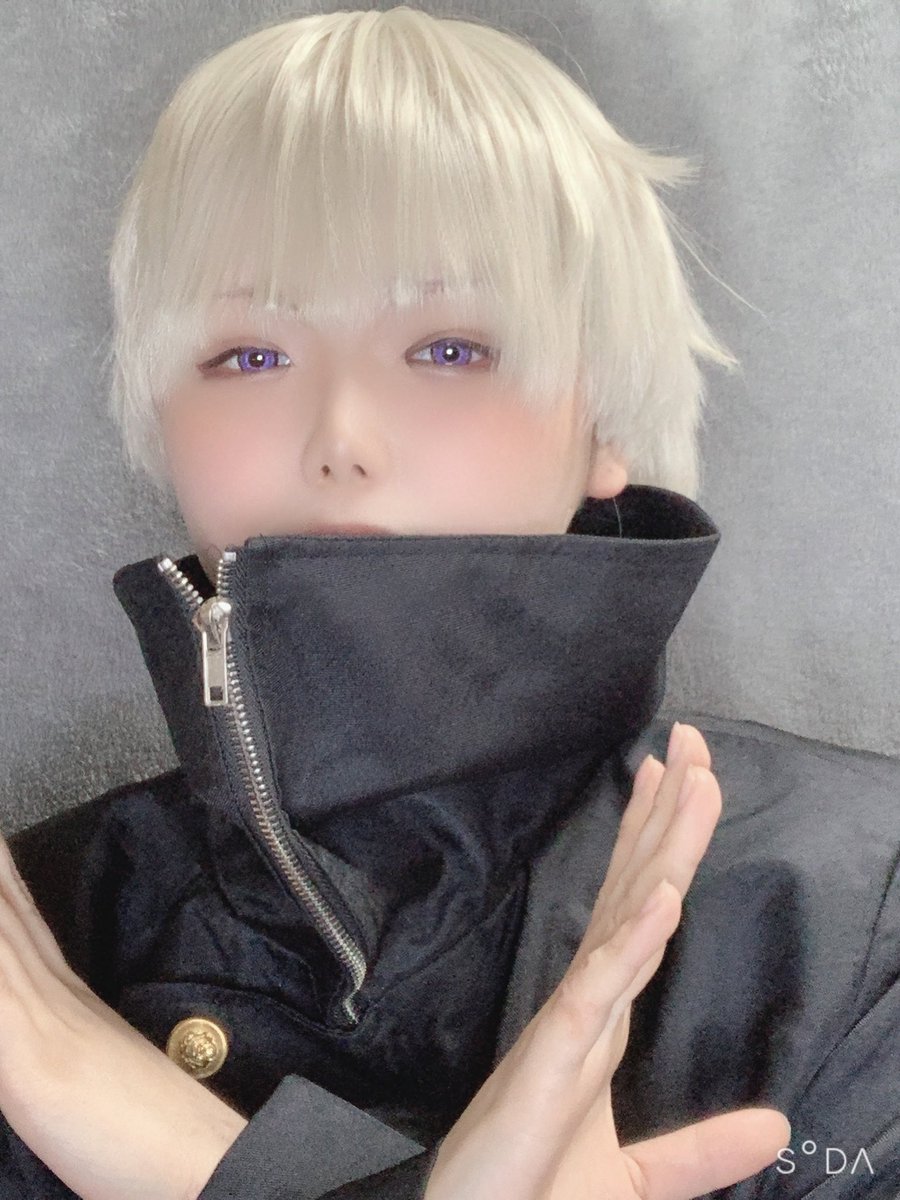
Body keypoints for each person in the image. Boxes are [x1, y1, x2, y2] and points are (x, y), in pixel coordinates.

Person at [2, 7, 897, 1198]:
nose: (341, 436)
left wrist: (166, 1145)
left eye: (450, 348)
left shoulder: (859, 921)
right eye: (249, 355)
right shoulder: (37, 941)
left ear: (606, 419)